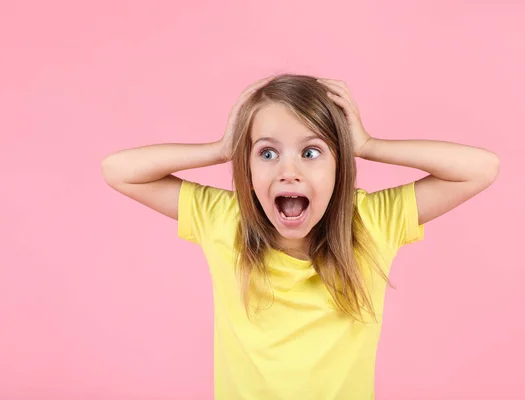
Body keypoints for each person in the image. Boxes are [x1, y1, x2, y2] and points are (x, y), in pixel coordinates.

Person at [101, 73, 500, 399]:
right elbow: (118, 169)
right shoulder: (224, 220)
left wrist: (368, 145)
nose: (288, 172)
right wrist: (221, 148)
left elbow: (480, 168)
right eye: (267, 153)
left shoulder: (371, 223)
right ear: (248, 166)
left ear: (339, 165)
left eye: (311, 153)